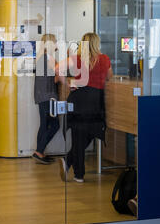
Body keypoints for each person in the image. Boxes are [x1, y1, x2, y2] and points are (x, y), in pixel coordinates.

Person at [59, 32, 113, 182]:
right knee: (91, 132)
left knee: (79, 136)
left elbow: (57, 69)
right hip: (95, 101)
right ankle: (74, 169)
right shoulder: (105, 59)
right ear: (97, 43)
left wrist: (68, 83)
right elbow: (109, 77)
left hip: (78, 99)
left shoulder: (77, 59)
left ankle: (74, 168)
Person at [33, 34, 60, 164]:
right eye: (55, 42)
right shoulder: (49, 58)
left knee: (44, 124)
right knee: (54, 125)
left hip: (41, 96)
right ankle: (39, 151)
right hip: (48, 96)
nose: (56, 45)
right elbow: (56, 78)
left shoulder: (41, 57)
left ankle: (40, 152)